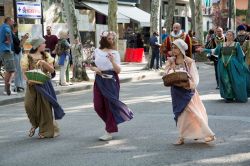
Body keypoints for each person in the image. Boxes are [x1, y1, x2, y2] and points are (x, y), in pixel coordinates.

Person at [165, 39, 215, 145]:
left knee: (194, 113)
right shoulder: (170, 61)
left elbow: (195, 78)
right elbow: (166, 74)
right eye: (172, 47)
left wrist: (189, 85)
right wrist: (170, 69)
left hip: (188, 91)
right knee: (180, 114)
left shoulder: (189, 61)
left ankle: (207, 134)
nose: (173, 49)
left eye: (175, 47)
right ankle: (181, 136)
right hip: (176, 91)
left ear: (181, 49)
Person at [90, 31, 133, 141]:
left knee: (110, 106)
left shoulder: (115, 53)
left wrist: (112, 61)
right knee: (98, 106)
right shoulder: (97, 51)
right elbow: (91, 64)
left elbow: (118, 70)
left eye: (112, 38)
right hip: (99, 79)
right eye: (109, 38)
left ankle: (108, 131)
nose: (112, 40)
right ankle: (111, 123)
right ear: (103, 39)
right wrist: (95, 69)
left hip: (111, 80)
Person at [21, 36, 65, 138]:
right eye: (43, 43)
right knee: (29, 105)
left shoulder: (46, 56)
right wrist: (28, 80)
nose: (45, 45)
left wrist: (44, 63)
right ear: (37, 45)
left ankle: (45, 132)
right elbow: (24, 72)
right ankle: (35, 124)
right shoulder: (27, 57)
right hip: (32, 85)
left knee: (45, 108)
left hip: (44, 84)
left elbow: (52, 71)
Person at [197, 30, 250, 103]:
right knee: (225, 80)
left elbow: (241, 56)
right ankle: (229, 96)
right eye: (227, 35)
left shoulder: (236, 44)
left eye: (230, 35)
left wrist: (243, 66)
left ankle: (236, 94)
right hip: (222, 64)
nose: (228, 36)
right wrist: (204, 50)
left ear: (233, 36)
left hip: (233, 65)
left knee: (234, 79)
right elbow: (214, 51)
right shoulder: (221, 44)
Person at [0, 17, 15, 95]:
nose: (13, 22)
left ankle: (7, 89)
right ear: (8, 21)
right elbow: (9, 39)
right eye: (12, 21)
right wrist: (9, 41)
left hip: (2, 50)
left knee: (9, 70)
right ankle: (7, 89)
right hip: (6, 51)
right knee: (10, 70)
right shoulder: (6, 27)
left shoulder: (1, 26)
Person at [12, 23, 28, 93]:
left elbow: (20, 45)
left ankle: (19, 85)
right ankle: (17, 86)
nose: (17, 29)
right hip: (16, 53)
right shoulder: (12, 35)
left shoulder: (14, 35)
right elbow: (20, 45)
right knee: (18, 70)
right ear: (14, 28)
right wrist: (24, 39)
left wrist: (23, 39)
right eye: (17, 27)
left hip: (17, 53)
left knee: (19, 70)